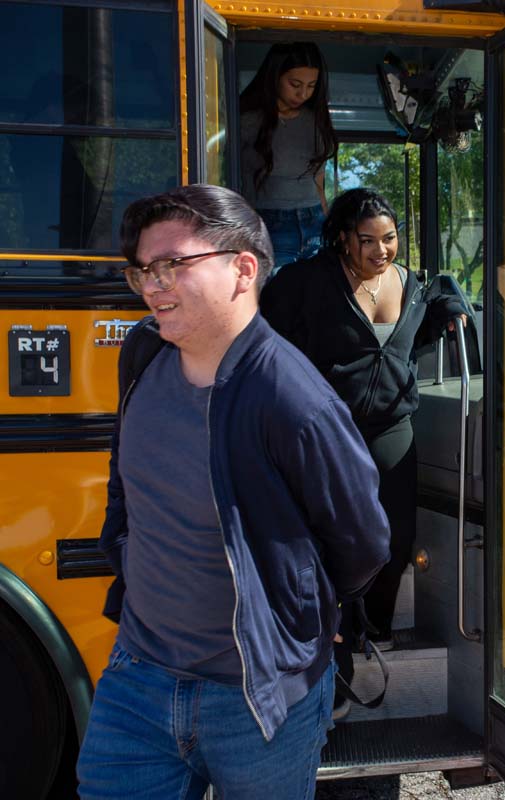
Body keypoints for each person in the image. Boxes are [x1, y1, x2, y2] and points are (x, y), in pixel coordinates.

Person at [77, 184, 391, 799]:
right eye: (143, 270)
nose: (152, 285)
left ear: (243, 269)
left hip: (258, 697)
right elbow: (128, 480)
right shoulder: (142, 354)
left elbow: (363, 540)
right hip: (137, 679)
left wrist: (306, 608)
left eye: (172, 265)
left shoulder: (292, 398)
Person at [260, 189, 467, 707]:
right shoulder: (306, 282)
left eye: (390, 238)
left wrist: (453, 307)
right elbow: (265, 330)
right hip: (331, 429)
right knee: (335, 537)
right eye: (368, 240)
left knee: (396, 540)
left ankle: (373, 623)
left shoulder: (413, 286)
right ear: (343, 240)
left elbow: (434, 305)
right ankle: (342, 637)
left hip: (392, 426)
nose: (381, 250)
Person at [239, 42, 337, 272]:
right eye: (295, 84)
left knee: (314, 297)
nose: (303, 94)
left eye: (311, 86)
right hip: (269, 221)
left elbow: (319, 182)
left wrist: (327, 223)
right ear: (274, 77)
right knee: (279, 298)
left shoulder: (316, 120)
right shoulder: (247, 120)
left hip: (314, 221)